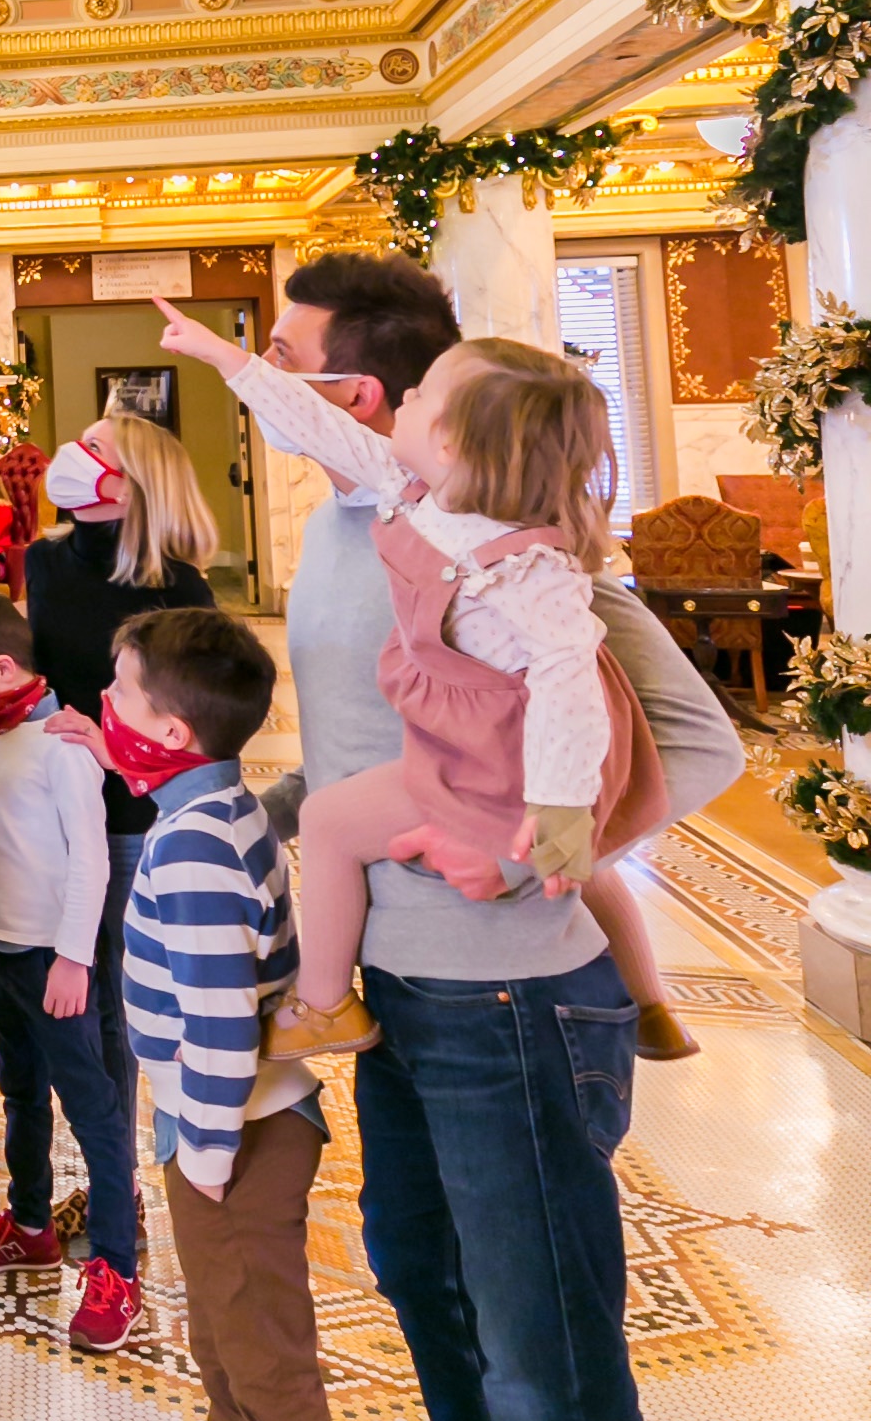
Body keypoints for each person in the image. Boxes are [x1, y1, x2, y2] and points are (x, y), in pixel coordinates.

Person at [254, 249, 743, 1421]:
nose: (276, 373)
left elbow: (703, 745)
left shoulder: (530, 560)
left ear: (378, 393)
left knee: (563, 1384)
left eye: (295, 356)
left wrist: (546, 845)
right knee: (411, 1262)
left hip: (515, 1011)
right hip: (398, 994)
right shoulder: (362, 522)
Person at [161, 308, 683, 1061]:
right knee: (339, 816)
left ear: (451, 440)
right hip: (460, 745)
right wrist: (221, 357)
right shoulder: (414, 493)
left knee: (334, 823)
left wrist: (560, 818)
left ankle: (323, 1004)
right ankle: (645, 1005)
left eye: (423, 393)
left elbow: (570, 686)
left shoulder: (527, 565)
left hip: (501, 765)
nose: (402, 397)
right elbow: (318, 423)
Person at [102, 607, 371, 1421]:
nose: (104, 707)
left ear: (164, 726)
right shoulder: (211, 806)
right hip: (225, 1133)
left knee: (272, 1377)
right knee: (227, 1358)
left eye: (115, 693)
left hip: (236, 1143)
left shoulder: (195, 844)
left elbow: (218, 1019)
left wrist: (200, 1151)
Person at [0, 585, 142, 1351]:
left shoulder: (62, 747)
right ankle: (30, 1222)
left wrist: (76, 959)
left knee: (94, 1112)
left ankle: (118, 1264)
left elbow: (91, 863)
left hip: (54, 959)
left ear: (4, 667)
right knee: (19, 1095)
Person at [24, 409, 217, 1094]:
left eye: (95, 447)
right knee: (61, 993)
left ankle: (126, 1178)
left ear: (131, 486)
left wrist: (120, 752)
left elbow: (206, 725)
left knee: (129, 998)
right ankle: (107, 1168)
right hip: (53, 810)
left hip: (136, 816)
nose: (73, 451)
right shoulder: (41, 560)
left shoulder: (180, 590)